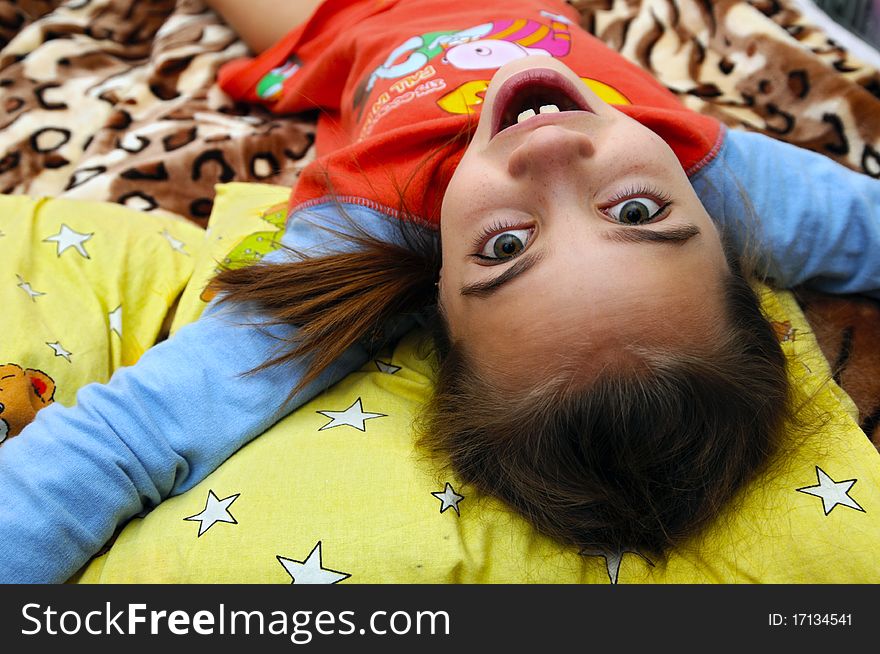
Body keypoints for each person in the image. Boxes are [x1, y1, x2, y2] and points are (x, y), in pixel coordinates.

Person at [1, 0, 879, 583]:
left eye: (504, 246)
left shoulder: (368, 230)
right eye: (638, 210)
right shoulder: (720, 178)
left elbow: (130, 437)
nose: (548, 155)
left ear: (441, 307)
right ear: (729, 252)